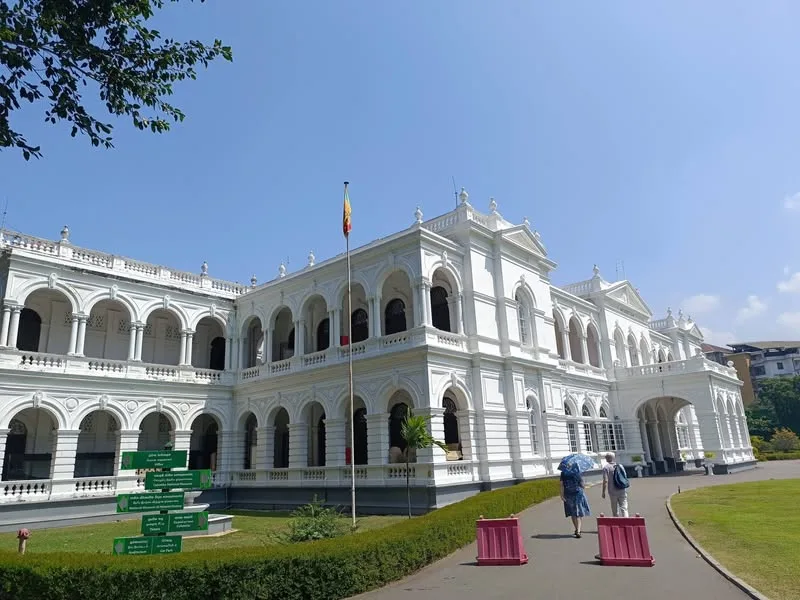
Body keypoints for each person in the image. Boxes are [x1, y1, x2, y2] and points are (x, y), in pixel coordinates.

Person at [560, 466, 591, 538]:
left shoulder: (563, 473)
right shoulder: (577, 472)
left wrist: (561, 495)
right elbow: (582, 485)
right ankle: (578, 530)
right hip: (578, 494)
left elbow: (561, 485)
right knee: (578, 512)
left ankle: (576, 529)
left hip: (568, 494)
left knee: (572, 512)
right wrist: (584, 484)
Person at [601, 452, 629, 517]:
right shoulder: (620, 466)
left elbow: (605, 481)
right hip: (622, 489)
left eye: (606, 457)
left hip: (612, 491)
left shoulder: (606, 468)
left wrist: (603, 492)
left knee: (614, 509)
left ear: (608, 458)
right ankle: (626, 521)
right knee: (624, 508)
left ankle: (617, 523)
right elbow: (625, 476)